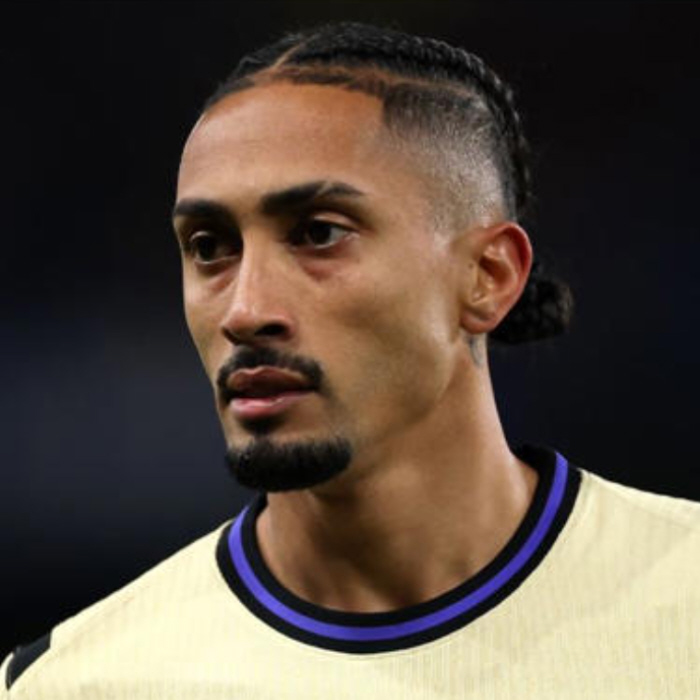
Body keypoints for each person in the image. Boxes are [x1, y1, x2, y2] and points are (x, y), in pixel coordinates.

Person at [3, 20, 698, 699]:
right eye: (210, 247)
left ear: (487, 276)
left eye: (318, 234)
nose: (245, 309)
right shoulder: (76, 684)